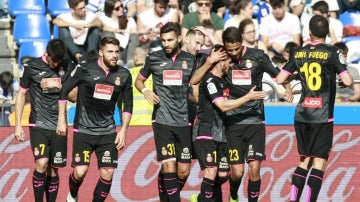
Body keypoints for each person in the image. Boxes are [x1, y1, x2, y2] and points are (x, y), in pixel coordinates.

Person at [276, 15, 353, 202]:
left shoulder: (298, 53)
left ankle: (294, 199)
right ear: (327, 32)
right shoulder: (331, 52)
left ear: (309, 32)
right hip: (322, 115)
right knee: (320, 161)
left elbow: (279, 79)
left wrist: (296, 77)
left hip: (302, 114)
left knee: (304, 160)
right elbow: (348, 81)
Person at [56, 36, 133, 202]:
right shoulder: (85, 68)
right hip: (83, 129)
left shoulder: (124, 75)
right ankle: (73, 194)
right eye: (110, 52)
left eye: (117, 52)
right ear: (100, 53)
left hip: (107, 131)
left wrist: (124, 130)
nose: (114, 55)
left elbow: (128, 105)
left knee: (108, 172)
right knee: (80, 171)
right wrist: (62, 119)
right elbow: (64, 91)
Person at [221, 27, 293, 202]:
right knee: (237, 172)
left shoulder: (258, 56)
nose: (232, 53)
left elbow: (279, 74)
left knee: (254, 167)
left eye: (235, 49)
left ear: (241, 43)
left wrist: (288, 88)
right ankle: (233, 195)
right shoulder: (222, 58)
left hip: (255, 121)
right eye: (229, 49)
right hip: (232, 121)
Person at [189, 44, 267, 202]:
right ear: (220, 62)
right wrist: (247, 98)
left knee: (223, 174)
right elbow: (222, 105)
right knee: (211, 171)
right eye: (229, 62)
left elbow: (242, 92)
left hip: (222, 134)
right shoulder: (210, 80)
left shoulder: (224, 81)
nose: (231, 66)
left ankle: (201, 198)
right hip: (206, 131)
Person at [134, 22, 196, 202]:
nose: (166, 44)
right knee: (169, 164)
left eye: (170, 40)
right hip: (162, 120)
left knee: (183, 171)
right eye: (163, 40)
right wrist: (146, 91)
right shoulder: (153, 58)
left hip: (184, 121)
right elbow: (139, 81)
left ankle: (165, 195)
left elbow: (195, 88)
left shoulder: (190, 60)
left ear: (179, 39)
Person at [14, 39, 70, 202]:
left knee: (54, 169)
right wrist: (18, 124)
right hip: (38, 123)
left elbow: (75, 94)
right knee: (42, 163)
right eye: (53, 61)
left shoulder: (68, 66)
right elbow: (21, 94)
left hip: (59, 124)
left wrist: (59, 84)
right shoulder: (31, 67)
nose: (55, 64)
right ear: (47, 54)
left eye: (59, 61)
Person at [128, 45, 153, 126]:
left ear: (136, 56)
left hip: (131, 123)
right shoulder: (155, 75)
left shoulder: (127, 75)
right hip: (152, 122)